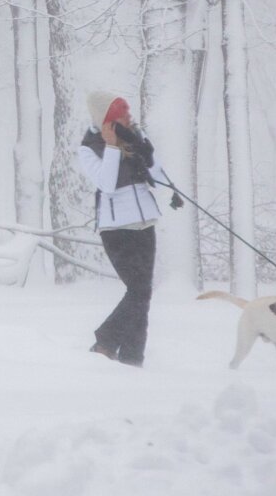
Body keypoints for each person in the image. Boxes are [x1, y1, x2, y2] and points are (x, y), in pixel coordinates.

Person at [76, 91, 181, 367]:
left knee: (143, 292)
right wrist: (112, 146)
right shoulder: (88, 148)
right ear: (108, 119)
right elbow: (106, 183)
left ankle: (133, 358)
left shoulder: (136, 136)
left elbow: (156, 172)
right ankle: (106, 342)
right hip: (116, 230)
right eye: (122, 112)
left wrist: (156, 167)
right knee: (138, 291)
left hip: (145, 223)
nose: (129, 116)